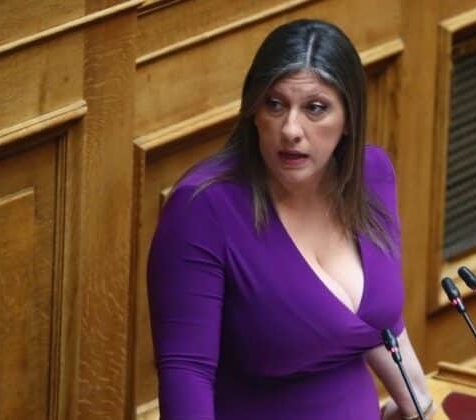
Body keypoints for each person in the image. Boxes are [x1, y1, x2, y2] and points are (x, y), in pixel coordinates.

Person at [147, 19, 435, 420]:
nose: (291, 130)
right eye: (275, 104)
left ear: (349, 119)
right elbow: (186, 375)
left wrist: (418, 404)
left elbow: (379, 318)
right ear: (253, 112)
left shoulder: (372, 176)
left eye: (315, 108)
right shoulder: (202, 209)